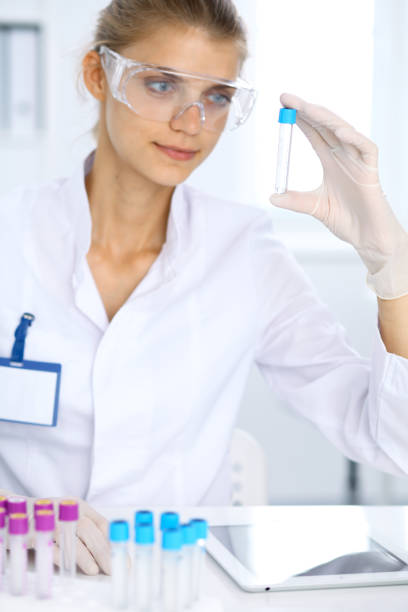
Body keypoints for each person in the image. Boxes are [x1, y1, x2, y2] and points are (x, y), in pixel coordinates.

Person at [0, 0, 407, 576]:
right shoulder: (8, 237)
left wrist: (394, 270)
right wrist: (9, 514)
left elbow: (392, 440)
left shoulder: (245, 253)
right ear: (97, 75)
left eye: (216, 96)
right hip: (19, 582)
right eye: (161, 84)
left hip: (180, 587)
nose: (191, 123)